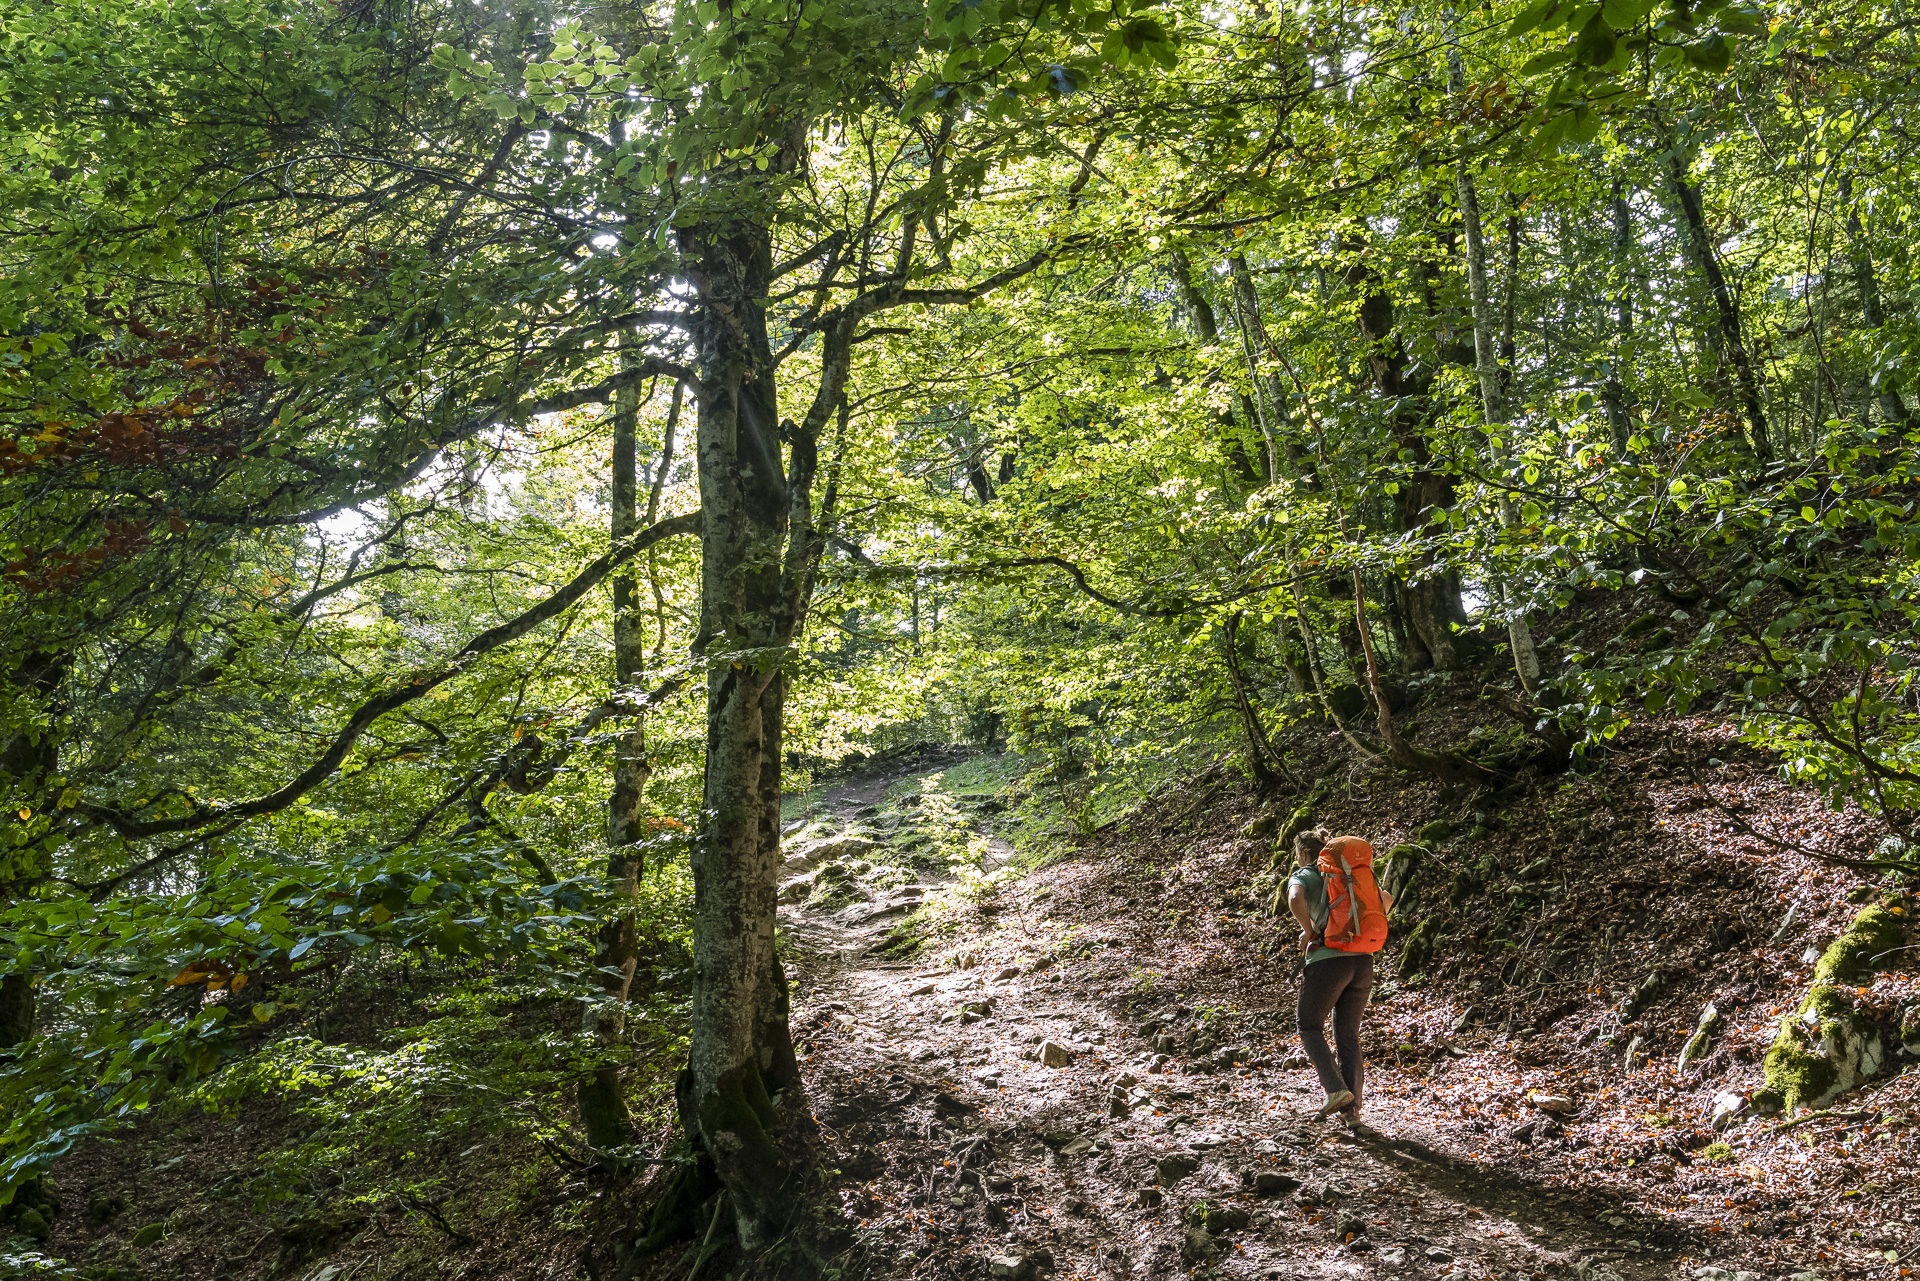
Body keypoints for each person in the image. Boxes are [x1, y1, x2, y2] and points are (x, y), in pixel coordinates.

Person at [1286, 827, 1392, 1118]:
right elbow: (1386, 899)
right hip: (1362, 962)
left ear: (1304, 853)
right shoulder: (1348, 874)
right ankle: (1352, 1112)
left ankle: (1335, 1090)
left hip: (1328, 961)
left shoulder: (1305, 874)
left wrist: (1309, 932)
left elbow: (1295, 898)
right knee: (1348, 1034)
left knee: (1308, 1026)